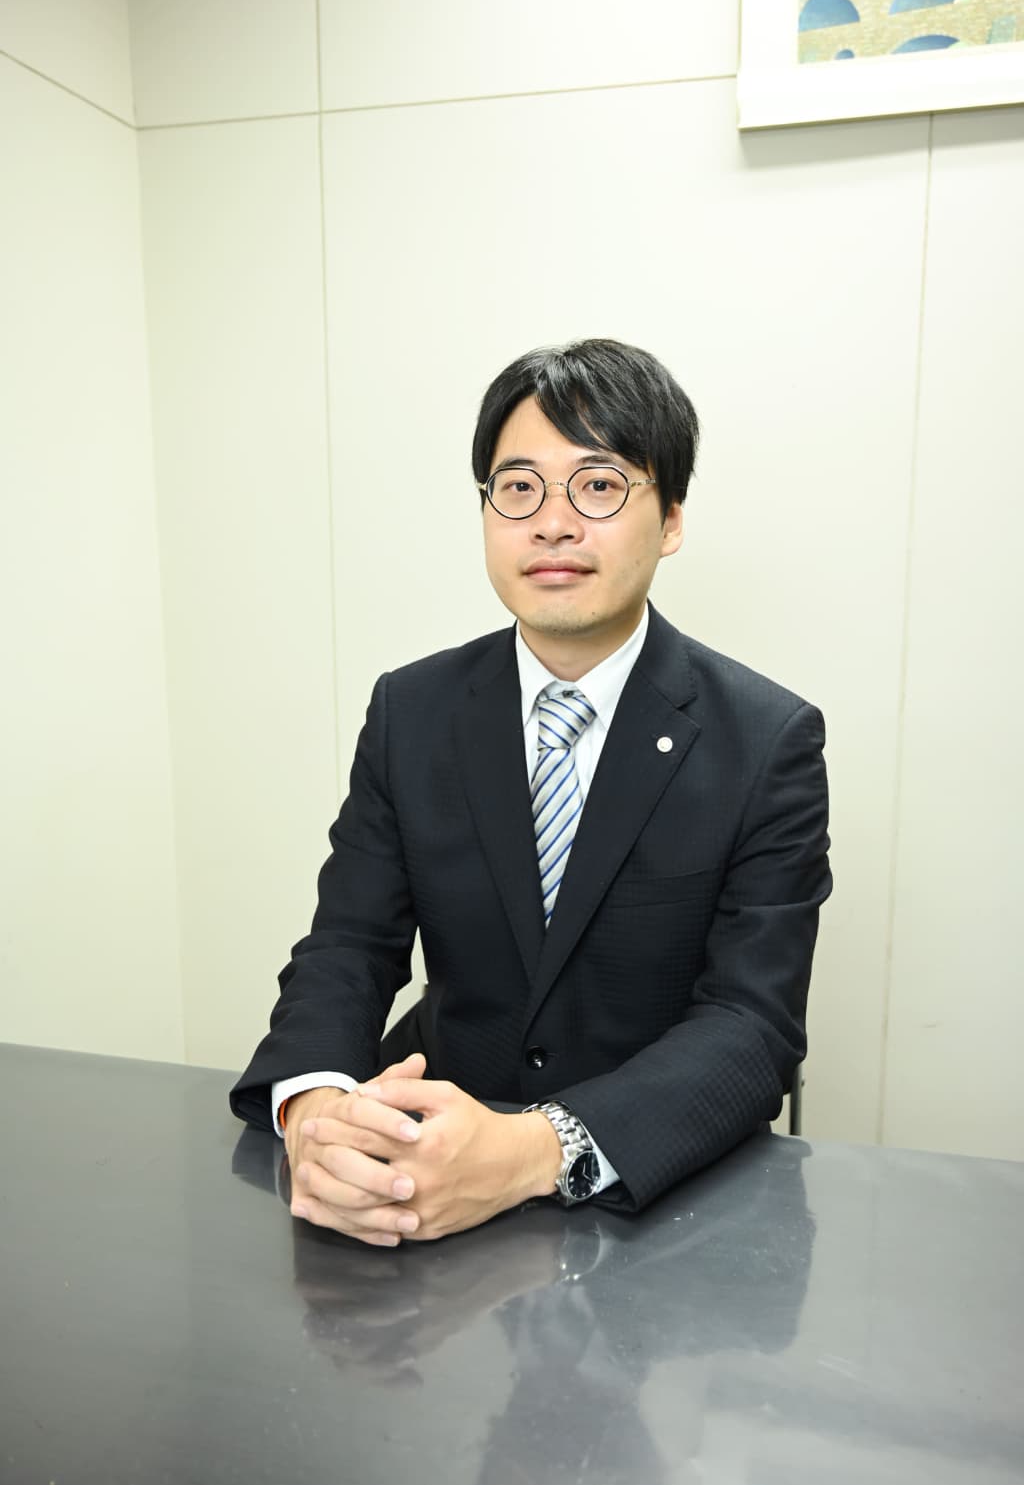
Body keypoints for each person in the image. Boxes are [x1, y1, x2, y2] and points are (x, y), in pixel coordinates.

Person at [230, 338, 831, 1248]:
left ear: (671, 517)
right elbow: (350, 944)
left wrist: (533, 1150)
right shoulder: (412, 709)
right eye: (518, 488)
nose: (552, 523)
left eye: (599, 485)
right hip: (425, 1166)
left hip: (658, 1199)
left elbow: (752, 1024)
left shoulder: (768, 738)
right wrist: (316, 1107)